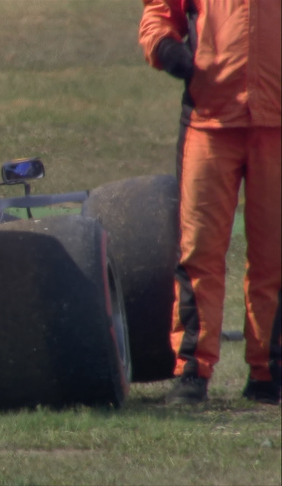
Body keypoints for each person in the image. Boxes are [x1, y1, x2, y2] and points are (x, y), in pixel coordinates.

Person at [139, 0, 281, 404]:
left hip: (276, 123)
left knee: (275, 258)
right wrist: (165, 48)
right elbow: (158, 14)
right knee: (198, 253)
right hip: (209, 121)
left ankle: (269, 373)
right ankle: (192, 371)